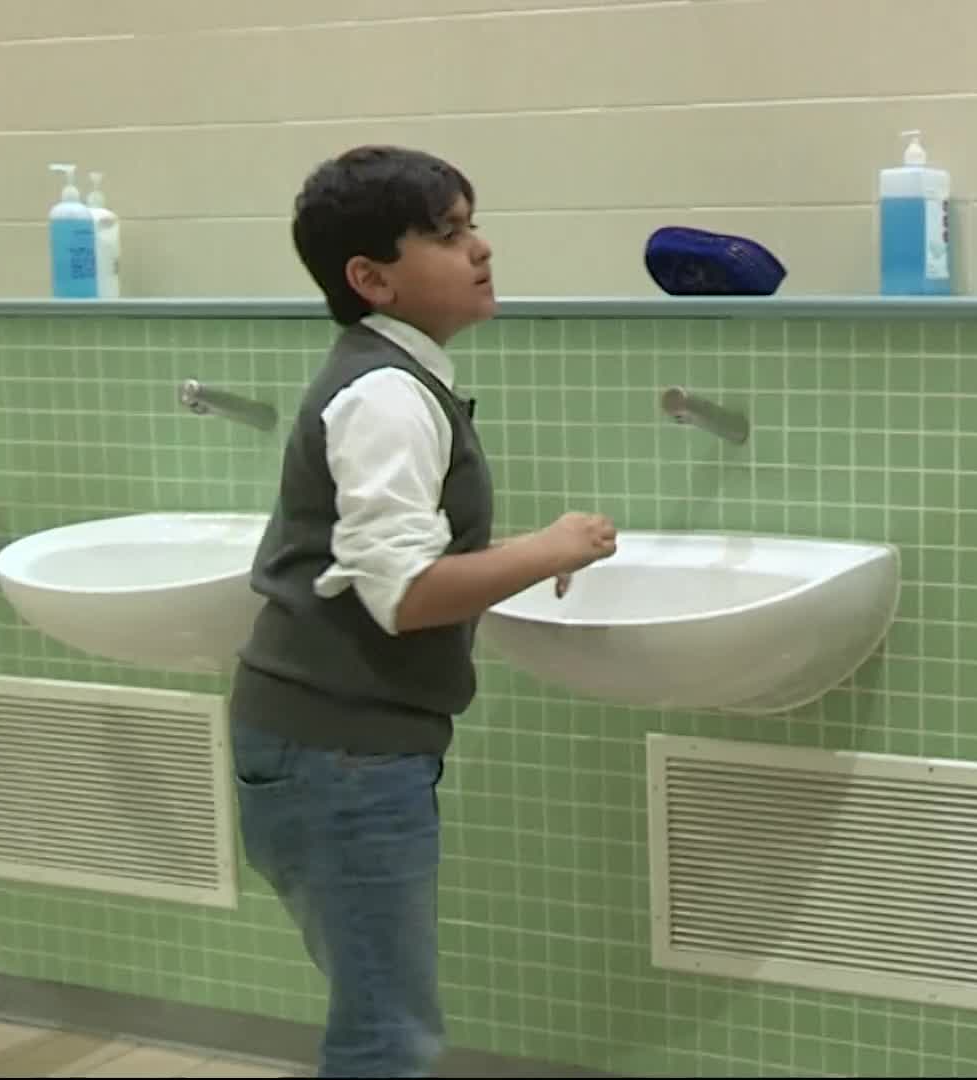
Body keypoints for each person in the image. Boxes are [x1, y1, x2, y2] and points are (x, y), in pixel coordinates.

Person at [226, 145, 619, 1077]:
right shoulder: (387, 396)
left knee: (381, 1015)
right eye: (446, 234)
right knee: (387, 1035)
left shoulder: (395, 379)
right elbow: (402, 595)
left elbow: (389, 563)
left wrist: (516, 556)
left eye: (473, 226)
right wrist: (551, 547)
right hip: (340, 751)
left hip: (328, 744)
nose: (480, 248)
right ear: (372, 278)